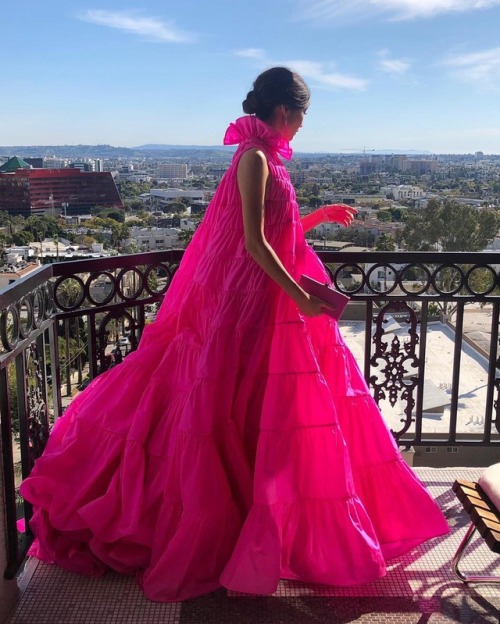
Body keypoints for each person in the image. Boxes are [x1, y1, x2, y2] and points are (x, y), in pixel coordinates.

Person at [20, 66, 449, 603]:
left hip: (261, 302)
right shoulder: (253, 158)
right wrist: (298, 294)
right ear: (287, 113)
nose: (302, 127)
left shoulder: (264, 158)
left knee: (260, 412)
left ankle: (256, 521)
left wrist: (316, 217)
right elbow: (252, 243)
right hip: (247, 306)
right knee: (228, 408)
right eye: (303, 117)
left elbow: (275, 230)